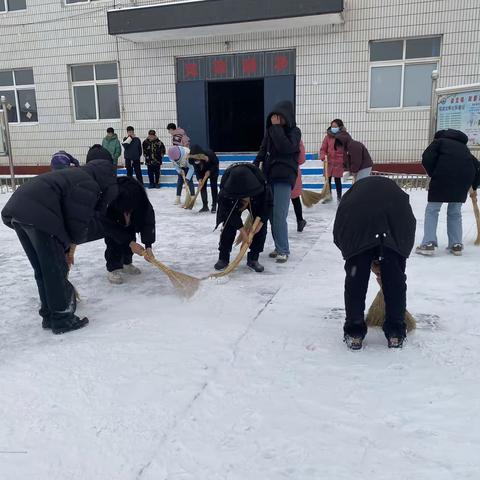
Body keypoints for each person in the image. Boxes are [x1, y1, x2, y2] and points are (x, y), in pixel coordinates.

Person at [1, 160, 118, 334]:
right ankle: (63, 319)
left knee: (43, 269)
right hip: (39, 216)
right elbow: (77, 225)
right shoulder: (88, 184)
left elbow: (67, 214)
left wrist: (65, 248)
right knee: (55, 270)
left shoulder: (74, 176)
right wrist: (71, 247)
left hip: (18, 212)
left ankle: (49, 315)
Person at [333, 176, 416, 350]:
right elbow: (408, 226)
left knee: (356, 279)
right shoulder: (397, 195)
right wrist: (391, 259)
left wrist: (357, 257)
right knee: (395, 281)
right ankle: (396, 332)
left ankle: (354, 332)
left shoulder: (353, 196)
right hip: (394, 225)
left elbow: (340, 232)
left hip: (357, 226)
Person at [416, 129, 480, 256]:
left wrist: (434, 173)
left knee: (432, 210)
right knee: (455, 212)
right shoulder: (464, 148)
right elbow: (476, 165)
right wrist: (473, 185)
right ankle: (456, 244)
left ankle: (428, 243)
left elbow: (427, 158)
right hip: (462, 181)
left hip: (442, 177)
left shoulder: (439, 142)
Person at [254, 100, 301, 264]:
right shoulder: (271, 131)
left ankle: (283, 250)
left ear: (286, 117)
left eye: (278, 117)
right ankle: (278, 246)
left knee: (279, 215)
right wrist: (255, 164)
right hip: (269, 176)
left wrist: (277, 128)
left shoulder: (294, 132)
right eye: (273, 117)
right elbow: (263, 149)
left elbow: (285, 148)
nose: (275, 120)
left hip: (284, 177)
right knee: (272, 216)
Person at [215, 163, 272, 273]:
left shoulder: (261, 185)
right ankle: (223, 257)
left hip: (256, 201)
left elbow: (267, 206)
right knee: (228, 226)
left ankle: (253, 258)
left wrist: (260, 224)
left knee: (260, 230)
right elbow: (228, 213)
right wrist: (243, 231)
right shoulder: (227, 190)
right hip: (233, 201)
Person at [102, 177, 156, 285]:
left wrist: (148, 246)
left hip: (130, 222)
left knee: (131, 238)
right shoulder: (110, 200)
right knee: (114, 243)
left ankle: (127, 263)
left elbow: (148, 223)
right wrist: (130, 243)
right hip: (114, 222)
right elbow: (110, 227)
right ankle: (113, 268)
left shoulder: (141, 200)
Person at [320, 119, 345, 202]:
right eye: (332, 126)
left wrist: (343, 158)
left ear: (339, 127)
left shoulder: (344, 136)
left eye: (335, 126)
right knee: (328, 180)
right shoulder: (327, 137)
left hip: (338, 162)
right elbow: (323, 149)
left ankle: (339, 197)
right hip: (329, 162)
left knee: (337, 180)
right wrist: (323, 156)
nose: (333, 128)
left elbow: (347, 148)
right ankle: (328, 196)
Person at [189, 144, 220, 213]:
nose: (196, 159)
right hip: (201, 171)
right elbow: (196, 169)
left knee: (213, 186)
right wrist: (199, 178)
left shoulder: (209, 154)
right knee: (202, 187)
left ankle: (214, 205)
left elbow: (216, 164)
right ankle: (205, 206)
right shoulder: (191, 159)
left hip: (213, 169)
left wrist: (210, 171)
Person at [291, 140, 307, 232]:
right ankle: (300, 220)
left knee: (279, 202)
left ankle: (278, 224)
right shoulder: (296, 139)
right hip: (293, 171)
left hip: (276, 171)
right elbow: (301, 159)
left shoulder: (274, 135)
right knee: (295, 199)